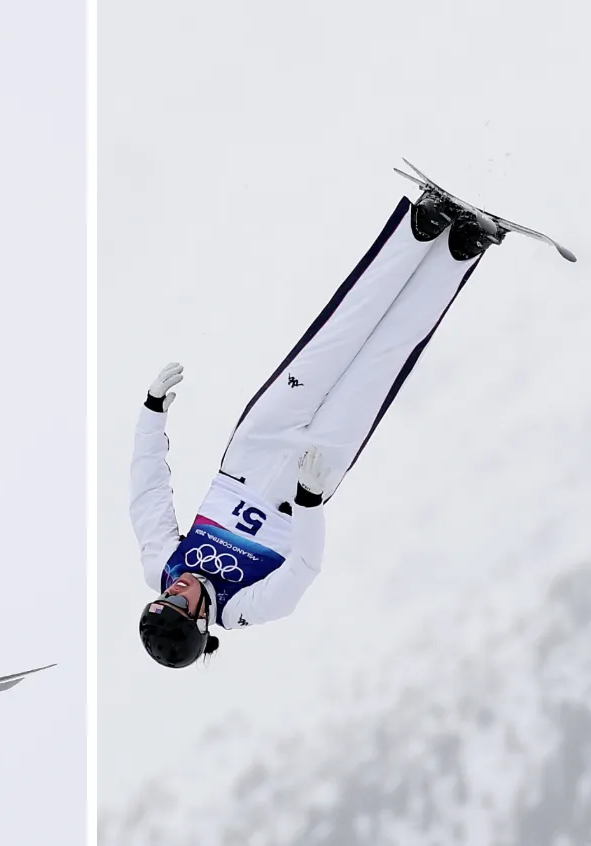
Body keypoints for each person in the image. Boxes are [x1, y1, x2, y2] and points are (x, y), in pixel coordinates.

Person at [131, 189, 501, 668]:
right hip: (305, 480)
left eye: (162, 599)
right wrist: (308, 501)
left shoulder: (162, 567)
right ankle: (458, 253)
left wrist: (152, 410)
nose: (175, 591)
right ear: (201, 622)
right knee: (381, 361)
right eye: (179, 605)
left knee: (337, 336)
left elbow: (147, 494)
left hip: (254, 449)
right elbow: (305, 567)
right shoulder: (247, 608)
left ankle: (418, 231)